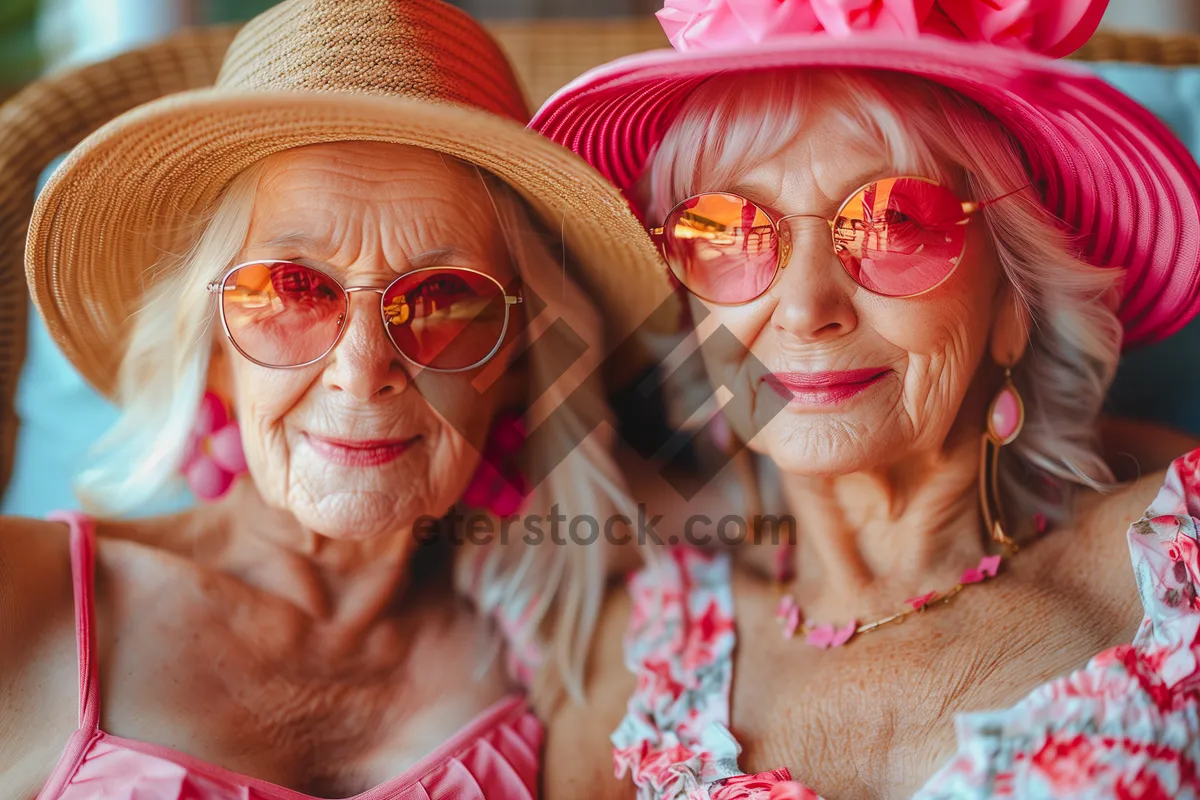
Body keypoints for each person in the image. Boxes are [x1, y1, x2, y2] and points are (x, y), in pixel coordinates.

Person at [0, 0, 671, 798]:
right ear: (213, 348)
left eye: (446, 299)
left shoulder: (572, 661)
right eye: (293, 288)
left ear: (520, 364)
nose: (362, 368)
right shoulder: (28, 593)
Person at [532, 0, 1200, 797]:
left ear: (1013, 306)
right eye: (730, 232)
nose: (808, 307)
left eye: (894, 222)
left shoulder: (1172, 563)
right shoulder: (633, 662)